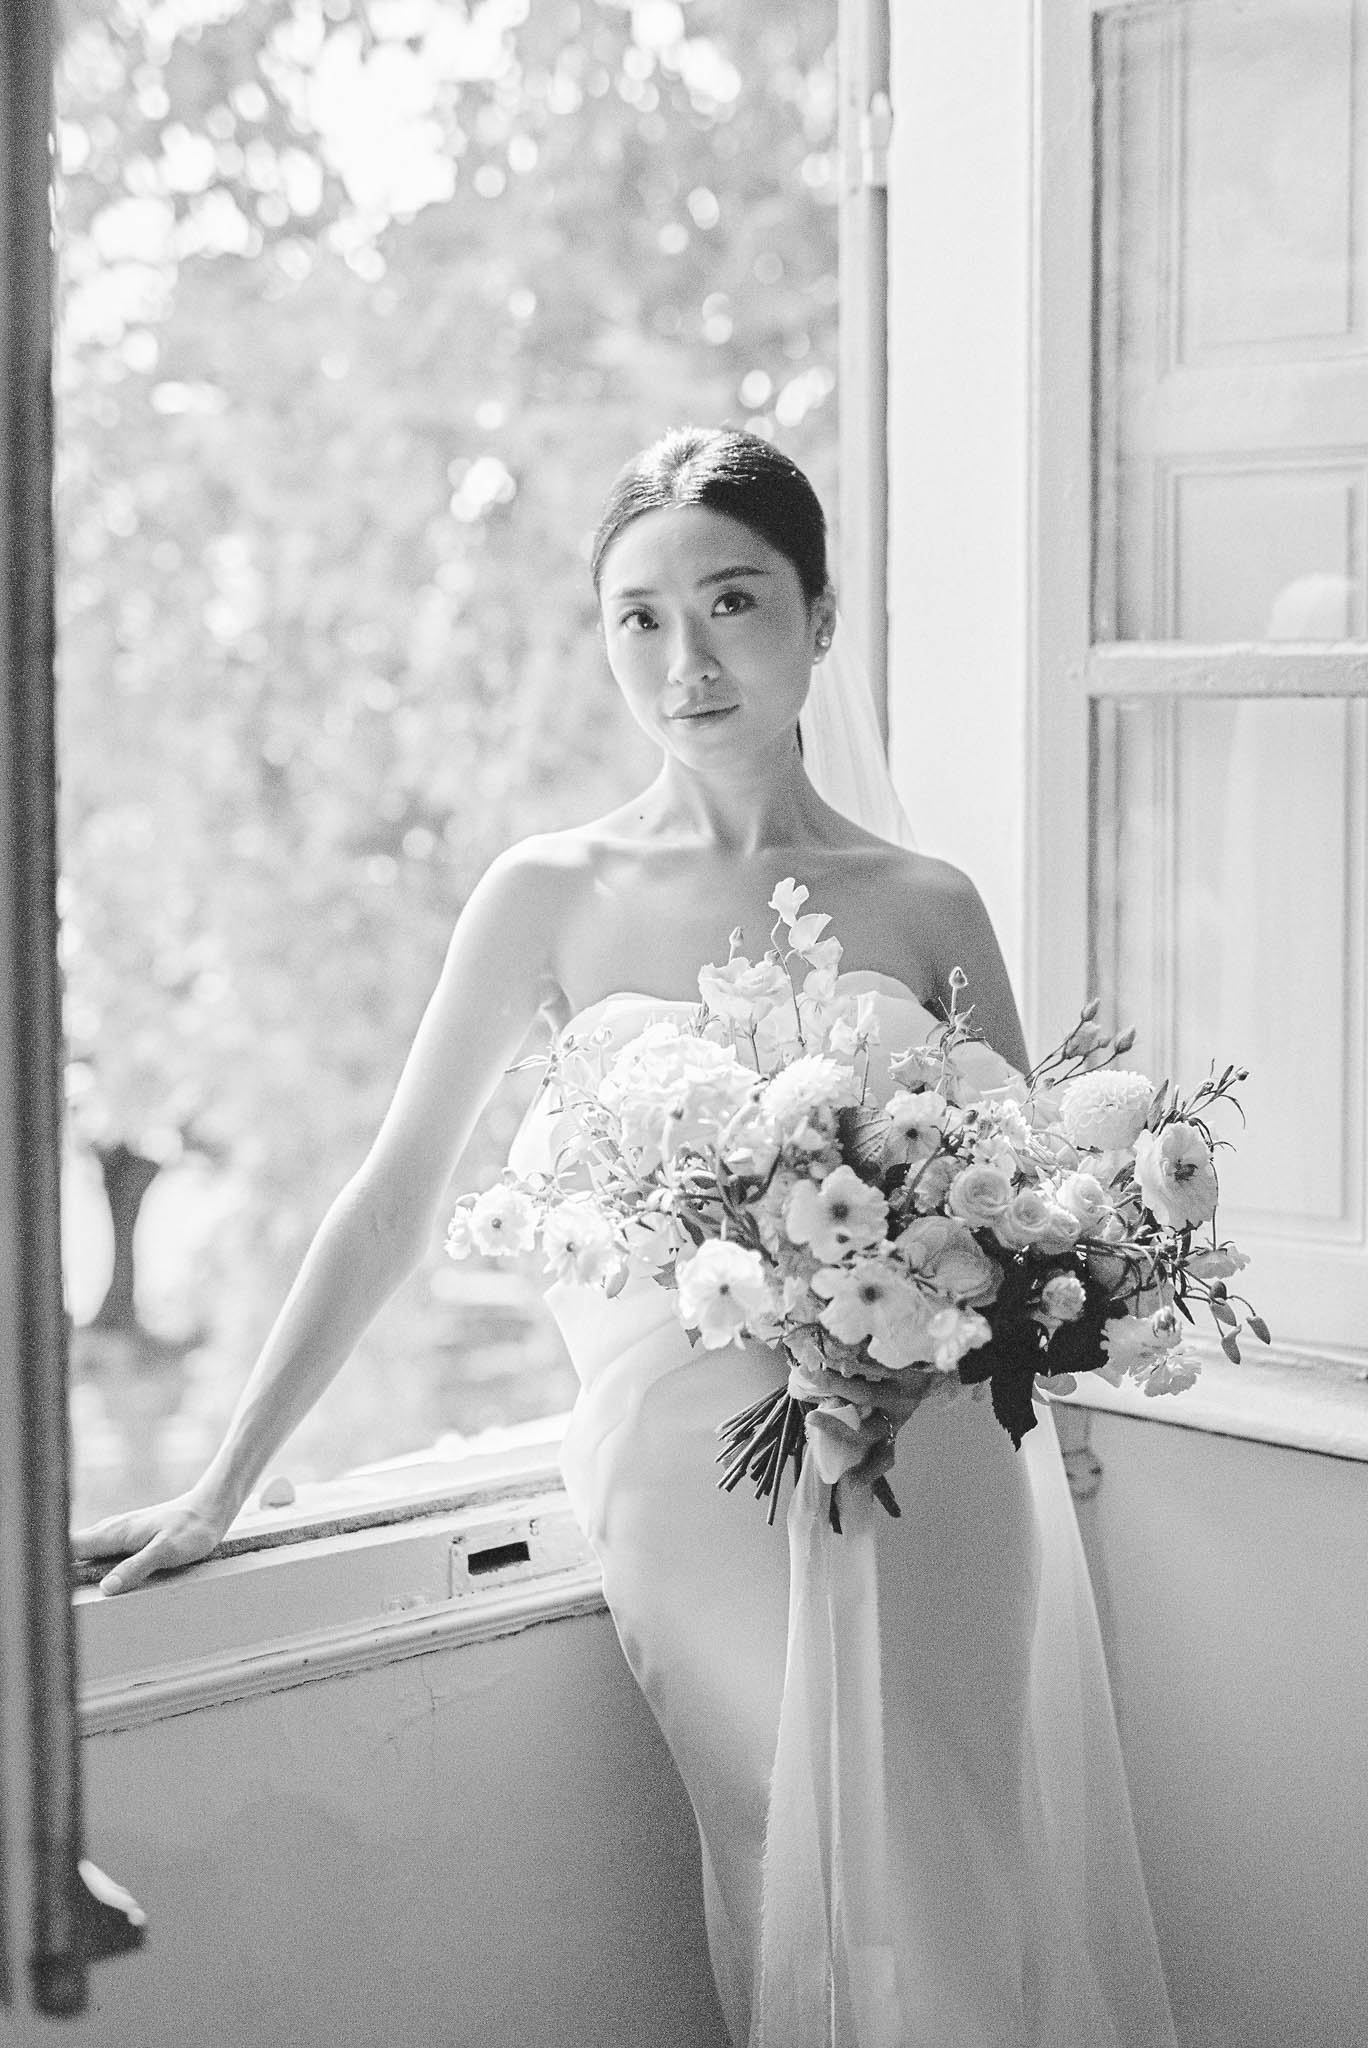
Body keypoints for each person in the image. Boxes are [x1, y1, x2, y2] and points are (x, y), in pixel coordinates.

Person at [75, 427, 1179, 2047]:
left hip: (934, 1477)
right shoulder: (547, 892)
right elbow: (392, 1197)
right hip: (695, 1491)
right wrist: (227, 1481)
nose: (686, 659)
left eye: (732, 602)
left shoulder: (929, 904)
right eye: (638, 617)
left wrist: (999, 1315)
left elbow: (1033, 1226)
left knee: (955, 1877)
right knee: (784, 1871)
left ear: (817, 615)